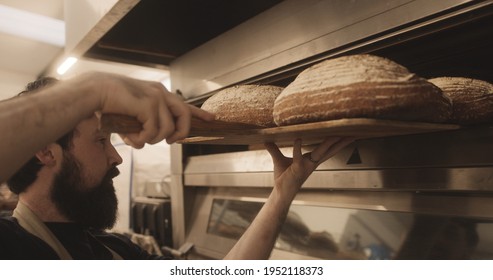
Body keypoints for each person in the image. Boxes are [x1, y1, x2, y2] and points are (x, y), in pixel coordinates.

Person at [0, 73, 353, 259]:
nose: (116, 157)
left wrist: (283, 191)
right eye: (100, 140)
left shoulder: (114, 252)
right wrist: (91, 89)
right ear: (45, 152)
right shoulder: (14, 250)